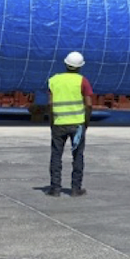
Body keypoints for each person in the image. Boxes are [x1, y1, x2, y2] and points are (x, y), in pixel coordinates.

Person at [47, 51, 93, 198]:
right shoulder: (82, 81)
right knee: (78, 156)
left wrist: (51, 121)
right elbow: (89, 104)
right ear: (80, 67)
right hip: (77, 125)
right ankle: (75, 189)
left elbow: (50, 103)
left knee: (56, 155)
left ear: (66, 64)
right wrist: (86, 121)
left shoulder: (54, 80)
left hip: (59, 123)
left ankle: (55, 189)